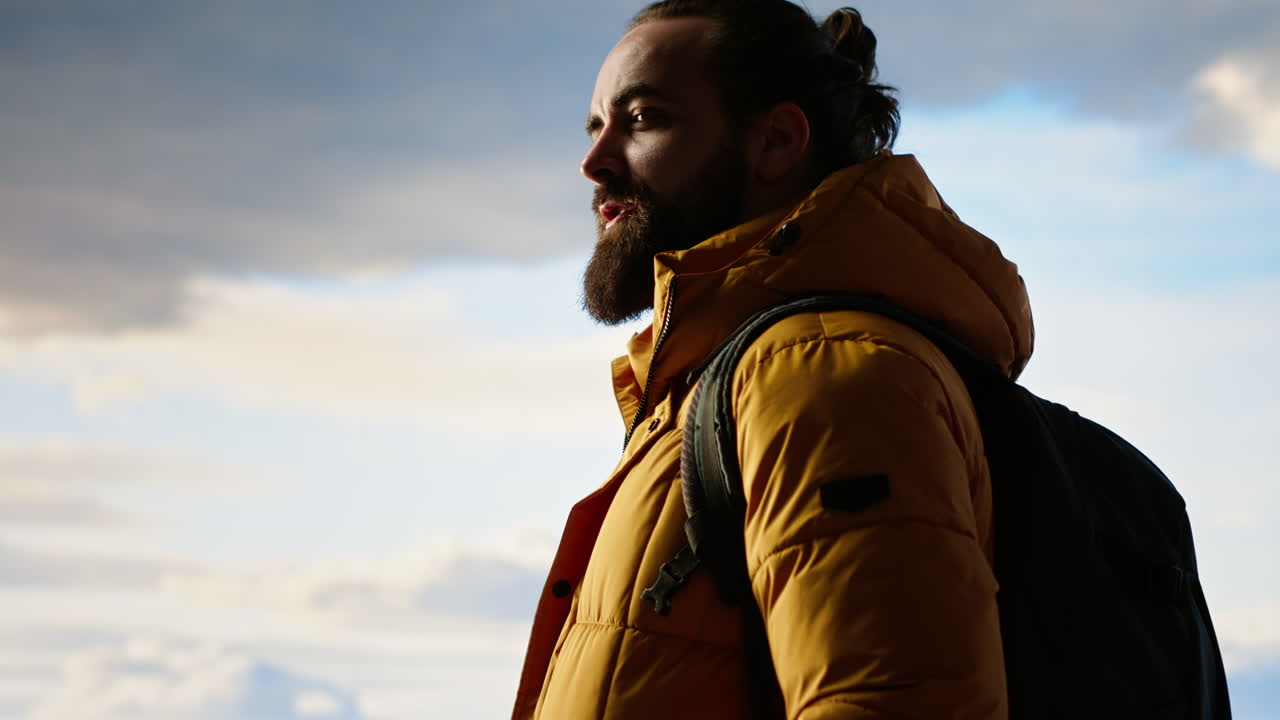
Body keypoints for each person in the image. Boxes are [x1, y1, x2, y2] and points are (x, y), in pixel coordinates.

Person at [512, 1, 1032, 718]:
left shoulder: (820, 372)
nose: (594, 161)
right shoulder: (717, 385)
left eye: (643, 119)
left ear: (777, 142)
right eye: (597, 125)